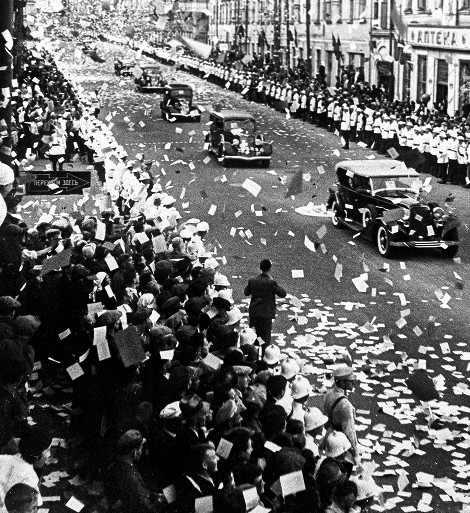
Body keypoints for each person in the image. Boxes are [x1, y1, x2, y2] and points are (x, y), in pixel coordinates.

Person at [105, 429, 161, 513]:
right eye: (141, 449)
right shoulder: (131, 477)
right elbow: (144, 505)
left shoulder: (111, 467)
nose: (141, 452)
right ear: (134, 452)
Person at [0, 426, 52, 512]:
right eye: (47, 450)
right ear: (38, 455)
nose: (49, 455)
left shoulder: (4, 458)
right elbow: (37, 502)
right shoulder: (30, 476)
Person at [244, 259, 286, 347]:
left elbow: (246, 292)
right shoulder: (271, 282)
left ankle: (255, 351)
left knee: (256, 335)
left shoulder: (252, 280)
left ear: (260, 268)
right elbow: (283, 293)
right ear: (270, 269)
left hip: (254, 313)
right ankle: (263, 352)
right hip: (266, 314)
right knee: (265, 338)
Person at [322, 366, 359, 467]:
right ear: (342, 382)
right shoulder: (345, 405)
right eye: (350, 381)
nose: (354, 383)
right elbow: (349, 431)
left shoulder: (328, 393)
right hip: (342, 442)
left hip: (329, 435)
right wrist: (356, 453)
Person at [175, 443, 219, 512]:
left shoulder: (214, 477)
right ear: (204, 465)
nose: (218, 458)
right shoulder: (183, 482)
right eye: (213, 457)